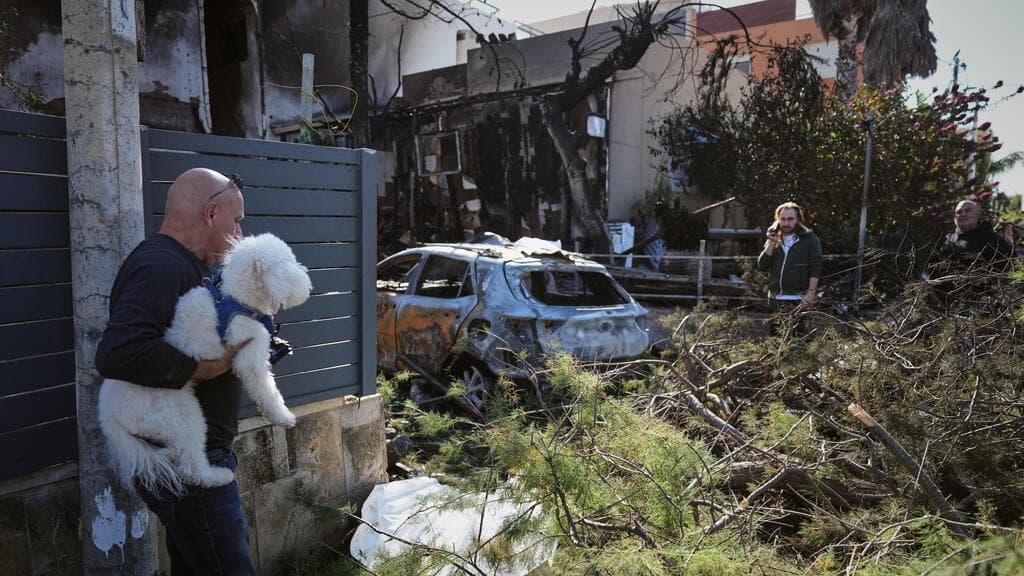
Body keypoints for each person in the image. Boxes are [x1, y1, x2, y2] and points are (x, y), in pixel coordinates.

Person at [95, 168, 255, 575]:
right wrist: (205, 369)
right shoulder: (161, 266)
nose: (240, 233)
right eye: (237, 221)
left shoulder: (186, 265)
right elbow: (119, 353)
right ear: (210, 214)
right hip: (187, 465)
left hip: (191, 458)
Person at [757, 201, 823, 308]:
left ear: (798, 219)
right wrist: (772, 242)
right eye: (782, 219)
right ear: (778, 220)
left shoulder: (810, 239)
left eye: (790, 219)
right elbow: (763, 266)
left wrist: (811, 293)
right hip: (774, 297)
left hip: (798, 298)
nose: (786, 223)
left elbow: (816, 267)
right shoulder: (774, 238)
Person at [941, 199, 1013, 263]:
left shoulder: (991, 238)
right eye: (959, 212)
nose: (963, 214)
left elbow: (1010, 260)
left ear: (977, 215)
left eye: (968, 211)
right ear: (954, 217)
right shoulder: (948, 240)